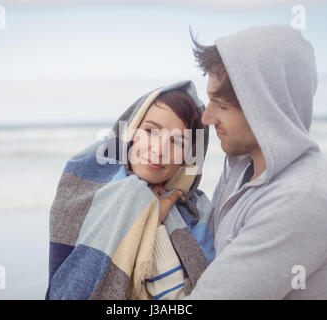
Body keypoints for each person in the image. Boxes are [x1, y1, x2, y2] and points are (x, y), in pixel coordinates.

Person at [153, 25, 327, 299]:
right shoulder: (243, 167)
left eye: (221, 105)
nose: (207, 118)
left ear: (265, 107)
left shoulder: (305, 197)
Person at [46, 81, 215, 300]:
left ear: (189, 156)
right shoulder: (87, 191)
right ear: (132, 130)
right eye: (151, 131)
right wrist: (147, 212)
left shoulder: (199, 214)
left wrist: (157, 225)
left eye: (178, 142)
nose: (159, 150)